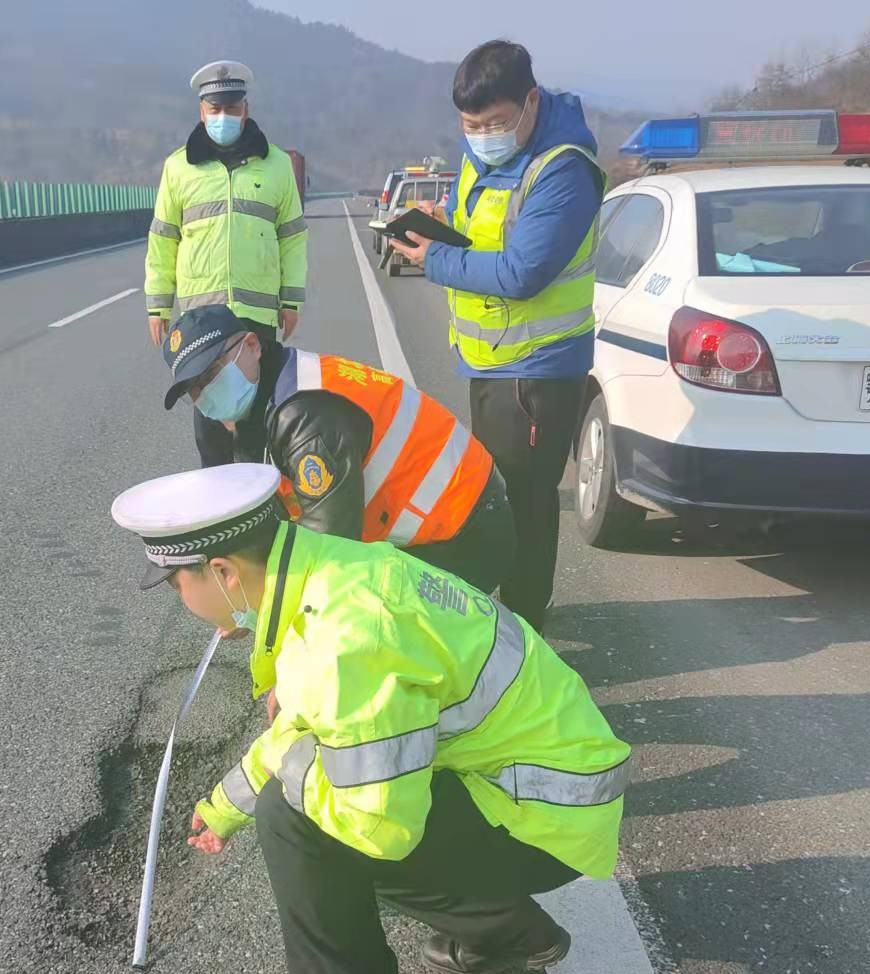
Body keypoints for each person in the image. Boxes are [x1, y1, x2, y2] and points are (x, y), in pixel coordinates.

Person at [109, 464, 630, 974]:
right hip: (535, 787)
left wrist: (279, 790)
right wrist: (225, 805)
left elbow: (382, 829)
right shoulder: (326, 571)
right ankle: (502, 932)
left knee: (294, 822)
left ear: (223, 573)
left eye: (176, 584)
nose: (179, 599)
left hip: (545, 816)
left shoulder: (344, 636)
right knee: (299, 793)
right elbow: (310, 719)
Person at [387, 40, 606, 632]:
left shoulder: (562, 170)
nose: (482, 134)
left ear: (531, 101)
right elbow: (479, 235)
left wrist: (433, 260)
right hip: (489, 364)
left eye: (495, 122)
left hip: (536, 371)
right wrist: (443, 227)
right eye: (470, 124)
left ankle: (526, 622)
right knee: (499, 493)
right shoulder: (479, 157)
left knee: (528, 502)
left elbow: (521, 273)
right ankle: (505, 612)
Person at [160, 304, 515, 594]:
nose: (205, 394)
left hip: (464, 534)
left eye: (213, 373)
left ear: (252, 345)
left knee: (353, 627)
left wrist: (261, 602)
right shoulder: (268, 394)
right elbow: (274, 513)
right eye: (194, 388)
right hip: (440, 524)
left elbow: (328, 547)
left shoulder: (305, 413)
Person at [145, 60, 309, 468]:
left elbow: (291, 236)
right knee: (211, 428)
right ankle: (220, 513)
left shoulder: (275, 166)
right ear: (201, 112)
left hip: (256, 314)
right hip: (202, 322)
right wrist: (158, 306)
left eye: (231, 108)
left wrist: (291, 301)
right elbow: (163, 239)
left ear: (245, 109)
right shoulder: (179, 167)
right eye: (215, 109)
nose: (223, 116)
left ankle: (260, 515)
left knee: (258, 422)